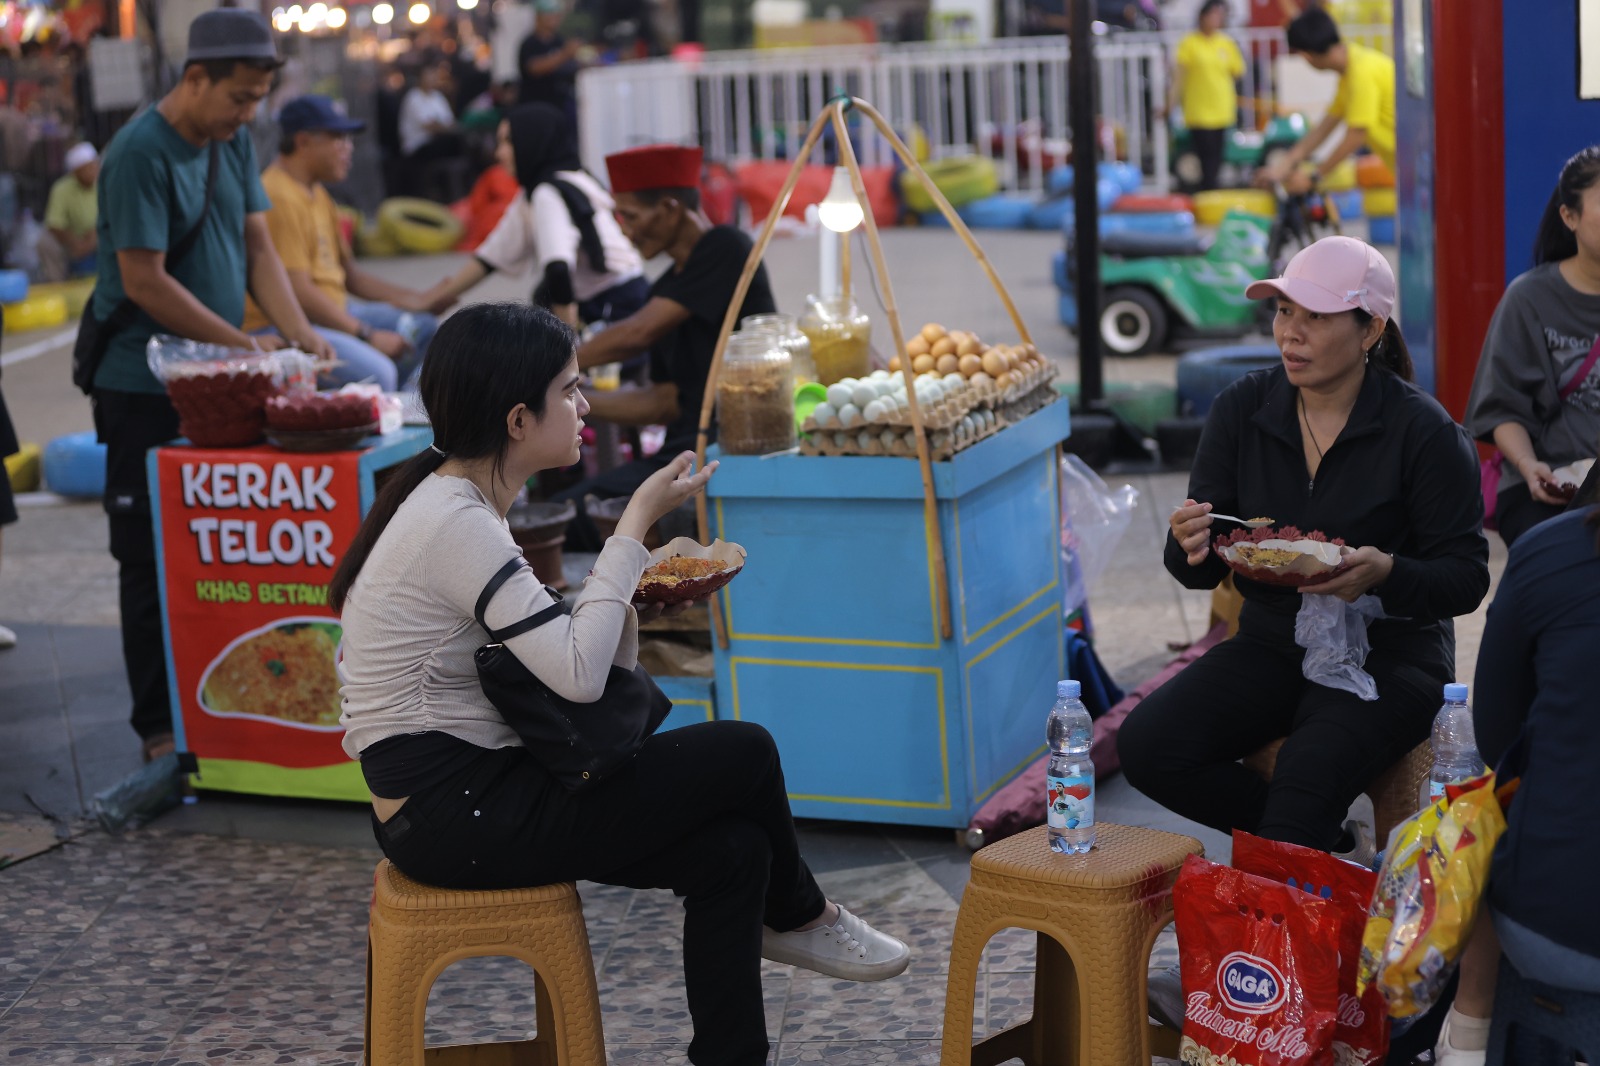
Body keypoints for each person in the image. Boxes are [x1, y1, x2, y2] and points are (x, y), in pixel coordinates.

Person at [333, 301, 910, 1066]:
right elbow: (577, 678)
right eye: (570, 390)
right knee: (744, 752)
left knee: (735, 851)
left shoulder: (454, 500)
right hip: (453, 815)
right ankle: (803, 916)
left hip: (467, 797)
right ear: (516, 419)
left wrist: (629, 584)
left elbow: (573, 655)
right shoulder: (455, 523)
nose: (585, 406)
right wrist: (632, 527)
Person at [1119, 235, 1488, 858]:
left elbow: (1466, 578)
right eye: (1284, 311)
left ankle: (1295, 864)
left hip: (1389, 658)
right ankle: (1319, 844)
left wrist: (1386, 573)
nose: (1291, 332)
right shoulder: (1243, 409)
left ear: (1370, 330)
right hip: (1271, 642)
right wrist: (1187, 544)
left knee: (1307, 777)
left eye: (1315, 316)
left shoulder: (1423, 432)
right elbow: (1201, 573)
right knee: (1149, 747)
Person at [89, 9, 334, 762]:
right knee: (146, 554)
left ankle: (230, 704)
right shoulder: (139, 153)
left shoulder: (231, 143)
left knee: (222, 544)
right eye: (239, 97)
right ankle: (160, 727)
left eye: (258, 98)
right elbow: (145, 279)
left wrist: (299, 335)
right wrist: (245, 346)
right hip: (142, 384)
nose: (249, 113)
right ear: (194, 79)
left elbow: (259, 244)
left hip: (224, 381)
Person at [1419, 495, 1600, 1066]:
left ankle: (1469, 1033)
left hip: (1559, 925)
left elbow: (1498, 738)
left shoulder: (1556, 549)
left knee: (1488, 811)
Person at [552, 144, 776, 551]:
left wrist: (546, 362)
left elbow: (636, 333)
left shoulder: (725, 247)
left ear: (671, 208)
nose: (625, 230)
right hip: (679, 456)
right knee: (563, 509)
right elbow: (662, 403)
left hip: (725, 450)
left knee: (572, 521)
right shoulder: (665, 288)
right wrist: (559, 400)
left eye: (631, 216)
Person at [244, 95, 447, 391]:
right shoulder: (277, 194)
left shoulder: (318, 193)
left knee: (424, 325)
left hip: (338, 310)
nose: (348, 148)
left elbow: (352, 276)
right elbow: (298, 292)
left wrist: (418, 299)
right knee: (380, 373)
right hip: (290, 324)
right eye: (338, 138)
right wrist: (366, 335)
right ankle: (384, 417)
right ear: (303, 142)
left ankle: (398, 415)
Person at [1465, 146, 1600, 549]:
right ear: (1569, 216)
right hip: (1547, 485)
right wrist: (1529, 466)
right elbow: (1503, 409)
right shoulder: (1529, 299)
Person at [423, 103, 646, 330]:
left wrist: (568, 343)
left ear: (533, 141)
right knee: (541, 300)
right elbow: (492, 255)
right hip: (625, 290)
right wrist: (439, 296)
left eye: (508, 141)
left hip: (615, 302)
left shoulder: (546, 194)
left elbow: (558, 269)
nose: (498, 153)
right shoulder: (568, 177)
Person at [1255, 6, 1395, 195]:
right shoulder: (1351, 70)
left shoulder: (1362, 74)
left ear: (1306, 56)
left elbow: (1356, 135)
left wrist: (1314, 177)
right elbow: (1323, 129)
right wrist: (1283, 166)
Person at [1170, 0, 1244, 192]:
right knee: (1203, 153)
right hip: (1199, 108)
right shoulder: (1189, 43)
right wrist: (1170, 104)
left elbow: (1237, 71)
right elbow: (1178, 78)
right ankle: (1207, 190)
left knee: (1217, 155)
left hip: (1221, 107)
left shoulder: (1226, 43)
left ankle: (1212, 190)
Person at [36, 140, 98, 281]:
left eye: (94, 166)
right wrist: (75, 243)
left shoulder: (104, 184)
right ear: (76, 172)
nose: (93, 171)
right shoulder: (62, 188)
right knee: (45, 243)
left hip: (99, 234)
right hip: (72, 239)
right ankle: (57, 285)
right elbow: (54, 224)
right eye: (88, 168)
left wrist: (93, 237)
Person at [517, 0, 583, 127]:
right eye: (549, 14)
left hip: (559, 107)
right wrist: (564, 54)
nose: (554, 18)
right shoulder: (530, 43)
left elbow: (571, 66)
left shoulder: (559, 40)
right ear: (538, 16)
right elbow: (534, 68)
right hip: (535, 109)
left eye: (556, 15)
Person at [399, 60, 466, 175]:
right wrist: (444, 127)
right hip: (418, 146)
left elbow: (450, 122)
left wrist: (444, 127)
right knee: (455, 142)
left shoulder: (438, 97)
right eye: (429, 75)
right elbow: (429, 126)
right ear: (420, 77)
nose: (432, 78)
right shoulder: (413, 97)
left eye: (434, 75)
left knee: (463, 143)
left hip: (438, 141)